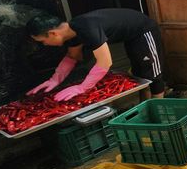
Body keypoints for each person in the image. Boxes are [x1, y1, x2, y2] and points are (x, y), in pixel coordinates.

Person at [26, 8, 165, 100]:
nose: (44, 45)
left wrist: (82, 87)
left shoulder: (87, 28)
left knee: (153, 74)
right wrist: (55, 80)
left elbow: (105, 62)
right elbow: (73, 56)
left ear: (53, 33)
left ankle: (161, 116)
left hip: (144, 31)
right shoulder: (72, 32)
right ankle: (147, 109)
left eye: (43, 41)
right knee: (139, 73)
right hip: (130, 36)